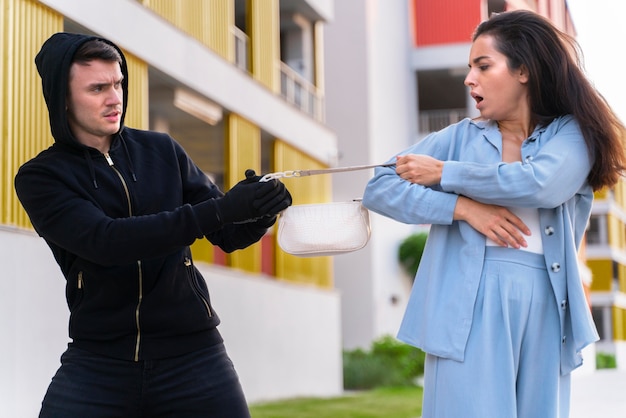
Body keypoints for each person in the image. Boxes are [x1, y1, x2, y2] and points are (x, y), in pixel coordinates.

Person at [363, 10, 626, 418]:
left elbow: (541, 184)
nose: (470, 79)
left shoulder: (572, 133)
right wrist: (462, 208)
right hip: (467, 303)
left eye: (483, 66)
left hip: (546, 304)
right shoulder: (457, 137)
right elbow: (379, 187)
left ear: (523, 70)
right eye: (470, 68)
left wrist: (445, 173)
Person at [14, 32, 292, 417]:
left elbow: (227, 235)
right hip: (99, 362)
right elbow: (107, 242)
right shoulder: (41, 177)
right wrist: (224, 209)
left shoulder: (161, 151)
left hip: (193, 356)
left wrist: (261, 209)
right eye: (97, 88)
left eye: (118, 83)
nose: (114, 98)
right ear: (62, 98)